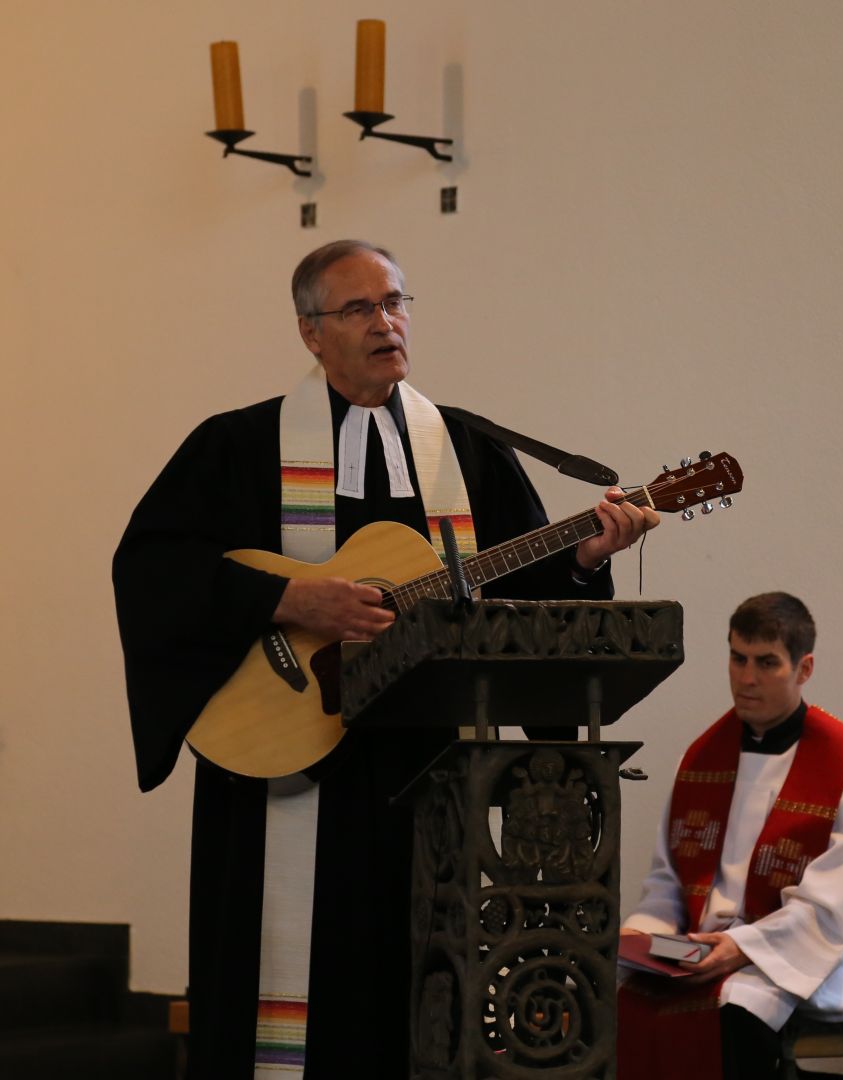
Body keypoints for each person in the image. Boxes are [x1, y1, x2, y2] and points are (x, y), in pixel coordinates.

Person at [112, 239, 657, 1079]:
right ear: (310, 332)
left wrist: (586, 559)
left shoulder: (469, 453)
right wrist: (289, 599)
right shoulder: (238, 447)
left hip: (428, 779)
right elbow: (151, 573)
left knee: (414, 1001)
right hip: (283, 774)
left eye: (396, 302)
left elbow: (528, 591)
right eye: (359, 308)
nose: (386, 322)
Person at [616, 592, 843, 1080]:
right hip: (702, 949)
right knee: (619, 994)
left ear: (804, 668)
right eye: (738, 658)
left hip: (813, 954)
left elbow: (836, 909)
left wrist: (741, 947)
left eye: (767, 663)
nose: (747, 678)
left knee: (738, 1005)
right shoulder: (701, 758)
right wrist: (642, 935)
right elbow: (668, 883)